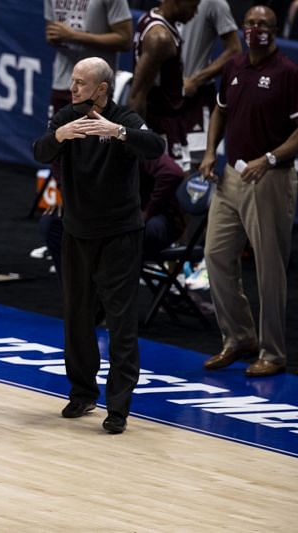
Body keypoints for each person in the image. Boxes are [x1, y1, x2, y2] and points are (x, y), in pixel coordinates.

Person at [33, 57, 165, 434]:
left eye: (79, 83)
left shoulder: (124, 117)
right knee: (76, 316)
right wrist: (59, 136)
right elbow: (39, 152)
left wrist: (119, 132)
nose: (72, 88)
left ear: (102, 89)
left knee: (121, 322)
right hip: (76, 232)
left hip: (120, 234)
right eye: (72, 81)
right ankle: (82, 392)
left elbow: (155, 147)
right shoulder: (66, 119)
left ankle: (119, 407)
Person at [199, 5, 298, 377]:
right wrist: (211, 152)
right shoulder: (234, 67)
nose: (255, 29)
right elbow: (220, 111)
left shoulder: (288, 74)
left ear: (275, 31)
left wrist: (269, 158)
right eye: (251, 23)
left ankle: (273, 352)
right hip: (230, 176)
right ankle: (239, 336)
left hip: (269, 177)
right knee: (215, 255)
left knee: (269, 267)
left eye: (263, 24)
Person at [43, 0, 132, 211]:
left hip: (95, 89)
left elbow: (125, 38)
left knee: (94, 155)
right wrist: (55, 37)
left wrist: (74, 36)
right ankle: (64, 215)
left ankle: (94, 215)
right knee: (58, 149)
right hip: (62, 82)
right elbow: (52, 29)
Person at [41, 152, 186, 280]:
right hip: (105, 215)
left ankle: (106, 297)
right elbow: (58, 160)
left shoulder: (126, 134)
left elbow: (172, 173)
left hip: (152, 218)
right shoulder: (73, 138)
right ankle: (77, 295)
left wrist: (147, 212)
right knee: (53, 223)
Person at [129, 0, 201, 172]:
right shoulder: (160, 38)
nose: (195, 12)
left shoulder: (151, 18)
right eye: (193, 6)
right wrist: (137, 142)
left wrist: (178, 86)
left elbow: (155, 79)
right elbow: (137, 94)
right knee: (169, 185)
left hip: (169, 120)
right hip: (160, 127)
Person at [180, 0, 241, 167]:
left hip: (194, 99)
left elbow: (234, 49)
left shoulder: (215, 3)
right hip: (163, 98)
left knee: (191, 173)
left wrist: (196, 80)